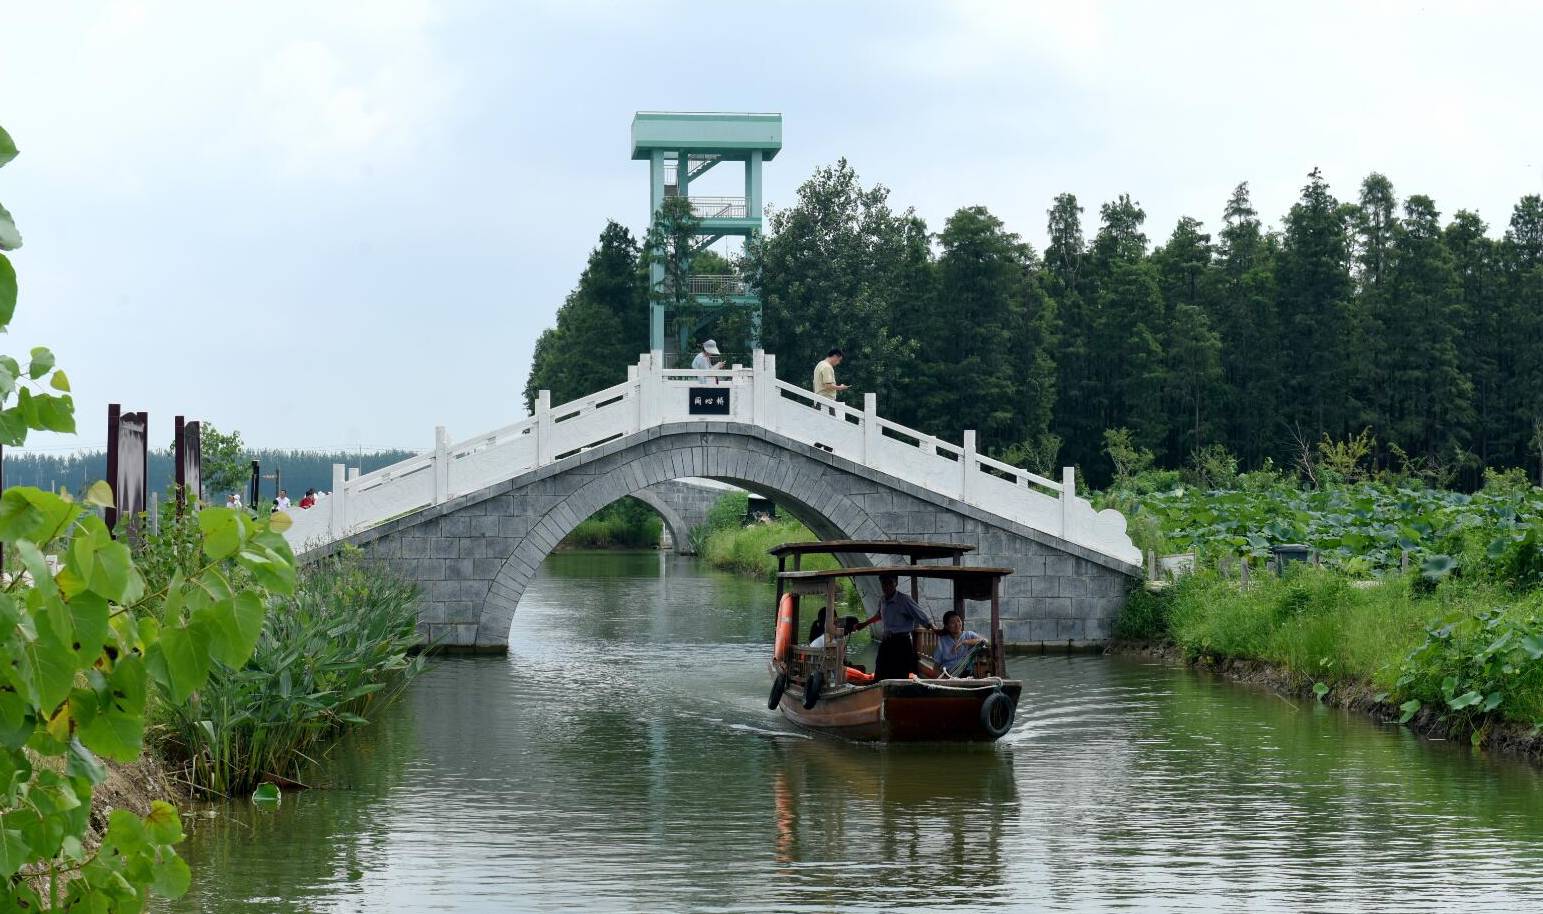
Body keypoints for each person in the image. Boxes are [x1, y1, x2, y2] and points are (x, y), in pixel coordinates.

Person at [856, 573, 936, 680]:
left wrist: (934, 628)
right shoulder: (883, 600)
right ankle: (880, 693)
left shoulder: (904, 600)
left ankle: (899, 694)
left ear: (896, 583)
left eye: (890, 583)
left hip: (901, 642)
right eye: (884, 584)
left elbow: (921, 616)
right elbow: (879, 615)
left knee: (900, 673)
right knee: (880, 670)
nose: (887, 587)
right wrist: (864, 624)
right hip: (887, 641)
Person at [934, 610, 988, 676]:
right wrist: (945, 680)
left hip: (966, 673)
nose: (957, 624)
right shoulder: (942, 641)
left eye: (958, 621)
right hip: (948, 674)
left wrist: (964, 642)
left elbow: (984, 640)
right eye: (953, 622)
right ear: (946, 626)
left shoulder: (969, 635)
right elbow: (936, 667)